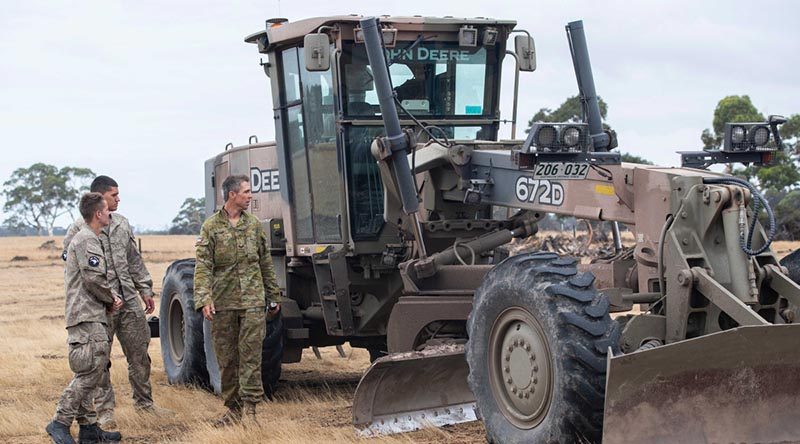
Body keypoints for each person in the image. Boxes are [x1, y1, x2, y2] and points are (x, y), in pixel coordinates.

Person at [63, 175, 168, 430]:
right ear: (100, 196)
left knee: (139, 353)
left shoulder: (122, 223)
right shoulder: (79, 230)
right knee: (100, 359)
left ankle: (145, 403)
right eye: (114, 195)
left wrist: (145, 288)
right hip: (100, 304)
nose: (119, 199)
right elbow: (74, 269)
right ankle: (105, 411)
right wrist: (101, 297)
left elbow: (133, 259)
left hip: (129, 299)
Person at [194, 174, 281, 426]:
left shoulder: (253, 225)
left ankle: (251, 412)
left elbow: (265, 262)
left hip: (253, 302)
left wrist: (273, 296)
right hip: (223, 303)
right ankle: (233, 410)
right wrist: (204, 298)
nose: (249, 195)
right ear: (232, 194)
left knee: (252, 356)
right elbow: (203, 267)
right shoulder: (210, 227)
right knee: (228, 359)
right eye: (245, 191)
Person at [46, 193, 123, 444]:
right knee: (91, 370)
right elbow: (93, 279)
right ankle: (60, 421)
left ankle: (89, 428)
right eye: (106, 211)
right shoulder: (87, 240)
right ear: (98, 214)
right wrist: (111, 299)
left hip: (86, 314)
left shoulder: (87, 239)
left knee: (90, 369)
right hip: (88, 315)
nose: (110, 214)